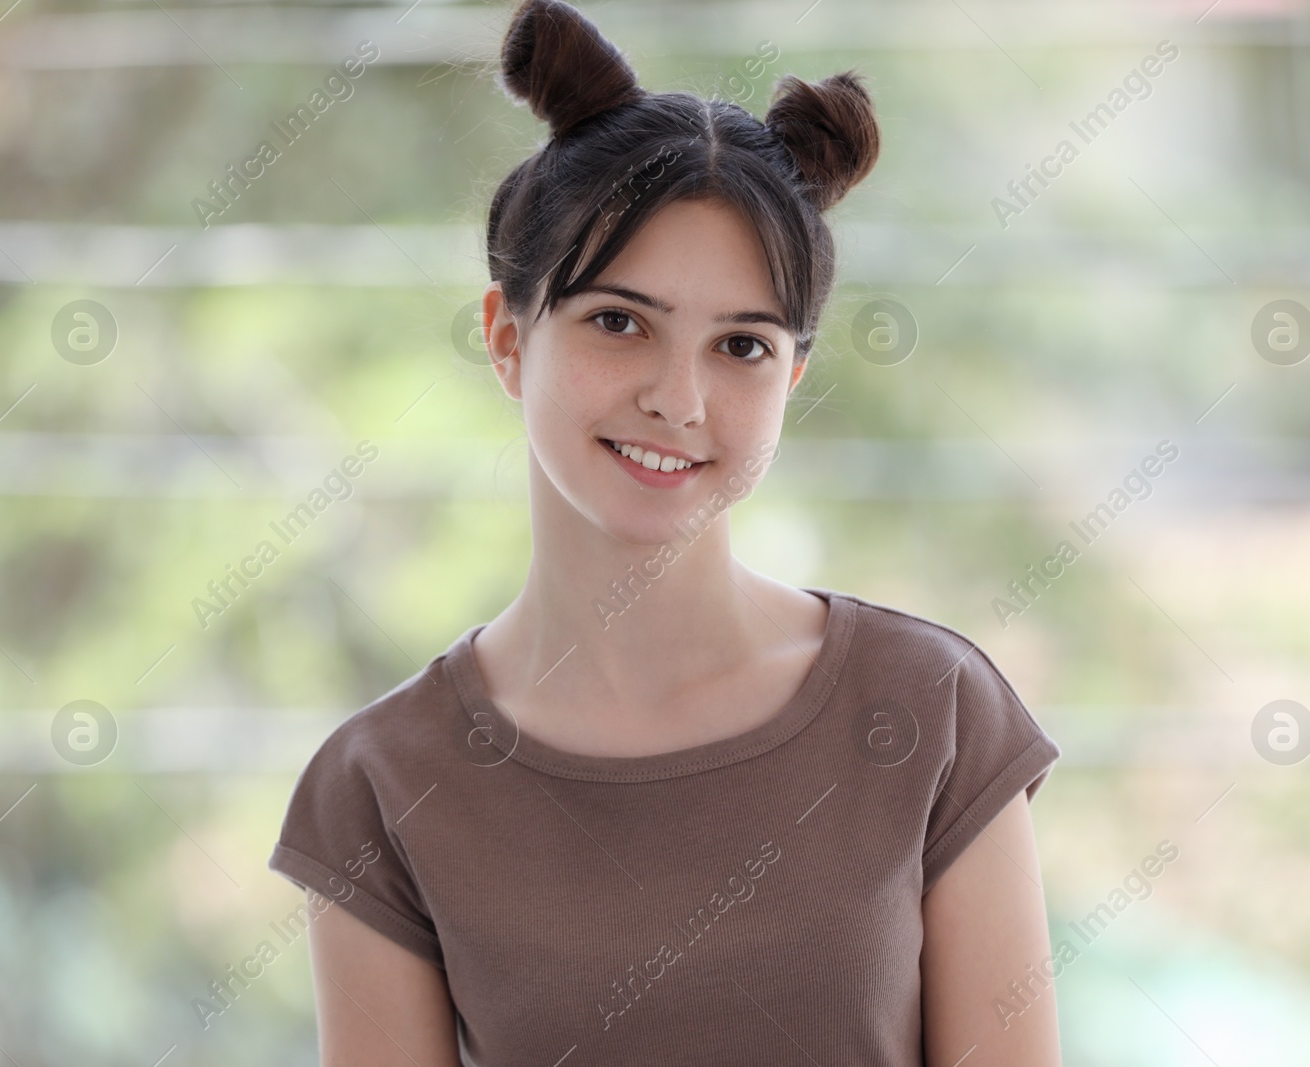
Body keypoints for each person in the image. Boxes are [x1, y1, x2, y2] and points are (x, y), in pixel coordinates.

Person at [267, 1, 1063, 1062]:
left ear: (794, 375)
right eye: (617, 321)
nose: (678, 399)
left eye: (741, 345)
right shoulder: (380, 783)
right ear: (508, 337)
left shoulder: (930, 712)